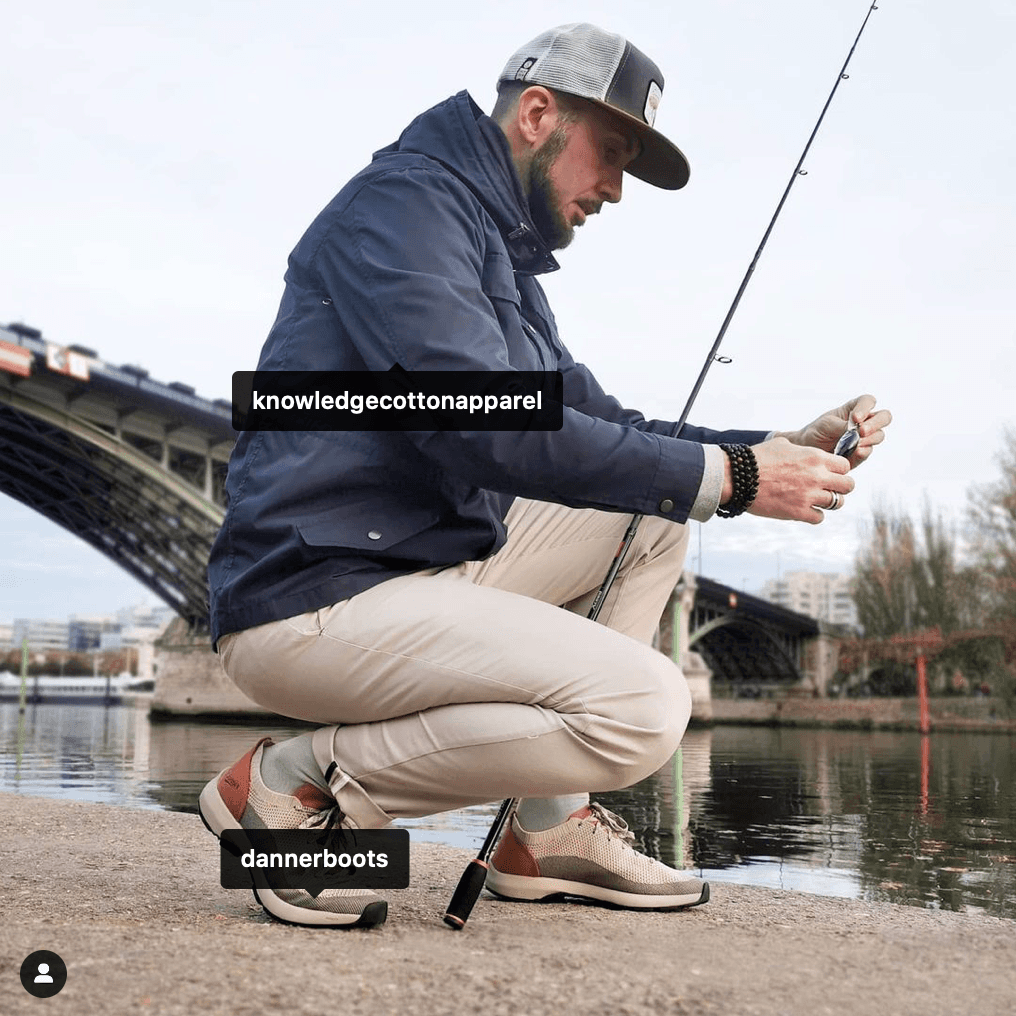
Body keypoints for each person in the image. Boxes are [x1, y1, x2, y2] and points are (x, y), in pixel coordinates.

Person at [201, 23, 891, 928]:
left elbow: (610, 429)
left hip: (410, 568)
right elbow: (477, 422)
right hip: (313, 595)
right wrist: (734, 476)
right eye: (611, 154)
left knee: (654, 514)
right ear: (537, 114)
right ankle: (287, 785)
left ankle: (546, 829)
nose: (614, 190)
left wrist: (770, 446)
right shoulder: (405, 208)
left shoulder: (497, 258)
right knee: (647, 708)